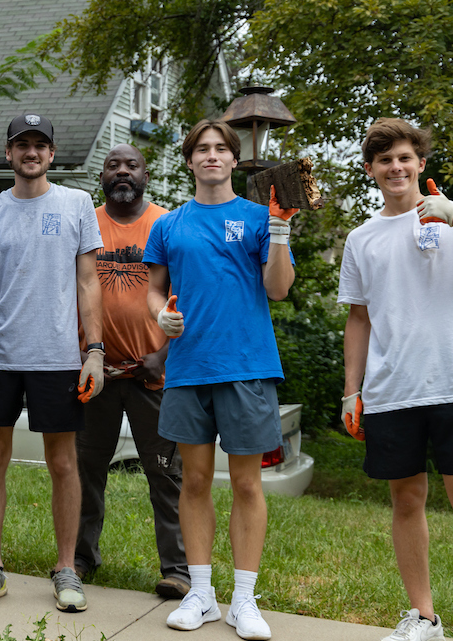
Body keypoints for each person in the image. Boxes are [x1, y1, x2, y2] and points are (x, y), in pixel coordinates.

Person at [338, 118, 453, 641]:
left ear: (420, 163)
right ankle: (423, 617)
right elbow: (359, 318)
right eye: (384, 160)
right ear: (371, 170)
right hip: (391, 390)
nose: (395, 167)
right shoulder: (361, 238)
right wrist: (353, 390)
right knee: (406, 500)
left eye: (404, 158)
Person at [143, 118, 296, 641]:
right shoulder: (169, 224)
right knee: (196, 482)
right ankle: (201, 594)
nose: (211, 156)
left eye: (220, 149)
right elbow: (153, 290)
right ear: (189, 161)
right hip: (188, 368)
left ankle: (244, 600)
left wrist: (280, 230)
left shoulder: (260, 216)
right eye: (201, 149)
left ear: (234, 160)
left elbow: (278, 289)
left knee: (249, 483)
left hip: (247, 366)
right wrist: (159, 316)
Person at [0, 113, 104, 614]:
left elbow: (89, 283)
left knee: (63, 463)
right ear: (8, 153)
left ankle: (66, 570)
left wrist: (94, 353)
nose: (32, 152)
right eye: (23, 145)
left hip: (58, 358)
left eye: (41, 145)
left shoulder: (77, 203)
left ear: (52, 153)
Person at [74, 143, 189, 598]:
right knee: (86, 472)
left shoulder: (168, 224)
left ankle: (178, 569)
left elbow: (190, 295)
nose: (122, 172)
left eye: (132, 166)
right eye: (113, 166)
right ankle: (80, 557)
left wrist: (163, 355)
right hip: (95, 373)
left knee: (165, 473)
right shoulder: (87, 224)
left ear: (146, 174)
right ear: (101, 176)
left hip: (154, 375)